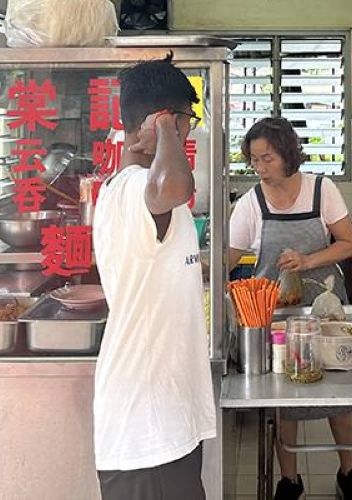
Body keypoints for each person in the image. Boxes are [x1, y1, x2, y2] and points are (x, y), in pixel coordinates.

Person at [93, 58, 217, 500]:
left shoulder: (136, 188)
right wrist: (166, 129)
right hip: (146, 426)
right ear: (168, 118)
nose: (189, 130)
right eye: (187, 119)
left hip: (163, 420)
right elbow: (173, 188)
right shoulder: (133, 188)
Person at [228, 116, 352, 500]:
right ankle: (290, 481)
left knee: (340, 396)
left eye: (267, 158)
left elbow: (349, 243)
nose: (260, 168)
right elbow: (230, 255)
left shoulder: (322, 190)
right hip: (275, 314)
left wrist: (307, 260)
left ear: (288, 154)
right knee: (283, 401)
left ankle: (348, 475)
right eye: (254, 160)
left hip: (325, 309)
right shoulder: (251, 202)